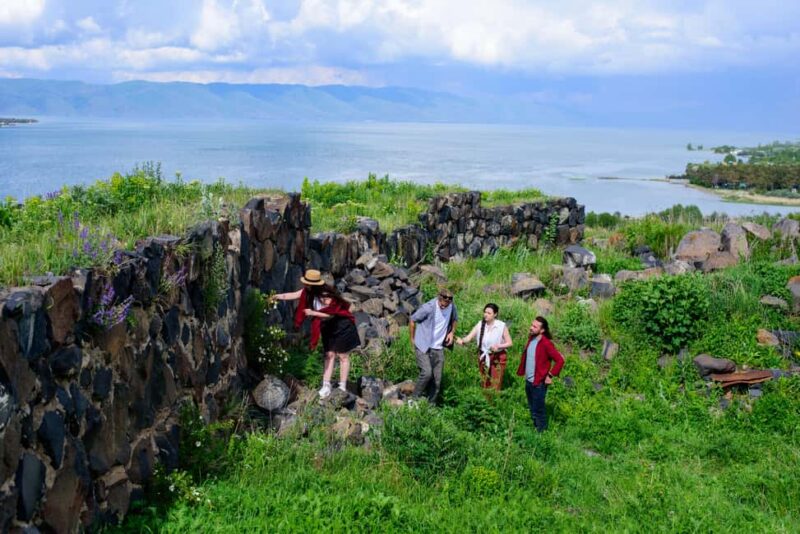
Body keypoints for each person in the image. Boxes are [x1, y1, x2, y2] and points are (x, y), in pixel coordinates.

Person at [273, 269, 360, 399]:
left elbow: (331, 314)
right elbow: (293, 295)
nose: (305, 285)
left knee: (342, 356)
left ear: (314, 284)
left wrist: (313, 313)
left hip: (342, 326)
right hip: (328, 326)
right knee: (329, 355)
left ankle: (342, 387)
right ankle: (326, 386)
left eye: (308, 283)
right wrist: (277, 297)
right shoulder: (308, 292)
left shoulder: (325, 294)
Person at [409, 288, 458, 405]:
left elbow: (455, 319)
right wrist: (412, 339)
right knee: (426, 373)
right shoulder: (428, 307)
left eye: (446, 305)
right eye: (442, 304)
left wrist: (452, 332)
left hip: (438, 347)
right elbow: (412, 319)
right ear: (438, 298)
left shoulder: (452, 307)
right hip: (423, 345)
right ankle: (413, 400)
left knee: (437, 380)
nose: (444, 306)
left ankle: (431, 406)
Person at [516, 316, 564, 432]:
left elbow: (560, 360)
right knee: (532, 407)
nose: (531, 328)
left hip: (539, 383)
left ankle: (542, 433)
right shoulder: (531, 338)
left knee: (538, 409)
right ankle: (535, 429)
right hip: (529, 381)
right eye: (531, 325)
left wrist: (550, 375)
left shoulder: (546, 343)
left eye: (534, 326)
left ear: (542, 330)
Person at [456, 303, 512, 390]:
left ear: (495, 314)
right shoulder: (480, 324)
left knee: (495, 382)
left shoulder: (501, 326)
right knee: (484, 381)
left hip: (498, 356)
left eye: (489, 313)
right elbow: (469, 337)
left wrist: (499, 346)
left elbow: (509, 343)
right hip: (483, 355)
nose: (486, 315)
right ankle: (485, 400)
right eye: (485, 312)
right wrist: (462, 340)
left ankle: (494, 401)